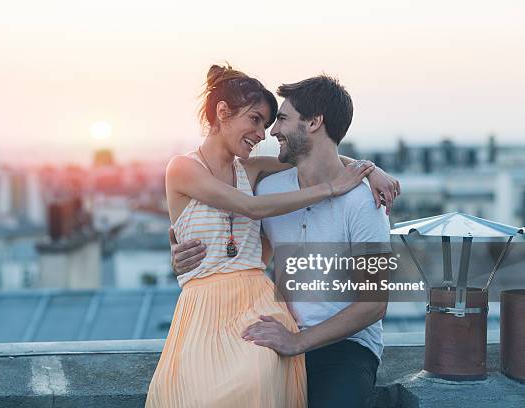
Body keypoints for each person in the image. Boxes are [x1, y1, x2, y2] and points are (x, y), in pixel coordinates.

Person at [145, 64, 388, 408]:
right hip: (240, 318)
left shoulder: (361, 202)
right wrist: (184, 261)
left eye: (280, 120)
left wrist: (369, 171)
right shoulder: (258, 184)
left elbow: (376, 303)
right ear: (223, 113)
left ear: (315, 122)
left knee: (250, 383)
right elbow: (247, 222)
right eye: (258, 120)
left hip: (333, 343)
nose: (269, 133)